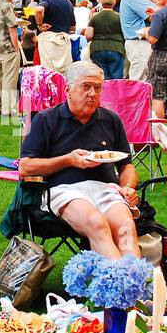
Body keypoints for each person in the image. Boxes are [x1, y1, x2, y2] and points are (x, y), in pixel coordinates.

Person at [19, 60, 140, 259]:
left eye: (98, 88)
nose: (92, 94)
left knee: (126, 226)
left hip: (105, 188)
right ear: (68, 89)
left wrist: (128, 187)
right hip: (64, 190)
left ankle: (134, 283)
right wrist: (68, 160)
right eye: (86, 87)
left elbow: (126, 165)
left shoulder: (110, 120)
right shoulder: (46, 119)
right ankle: (122, 285)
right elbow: (25, 167)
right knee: (96, 223)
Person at [120, 0, 155, 80]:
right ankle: (136, 98)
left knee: (139, 77)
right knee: (140, 79)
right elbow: (157, 17)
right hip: (139, 43)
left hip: (137, 43)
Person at [84, 0, 125, 82]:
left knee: (100, 78)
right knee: (116, 78)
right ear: (114, 1)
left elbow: (88, 35)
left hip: (97, 49)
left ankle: (103, 95)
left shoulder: (95, 16)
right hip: (116, 48)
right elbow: (125, 33)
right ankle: (115, 95)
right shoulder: (120, 17)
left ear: (101, 2)